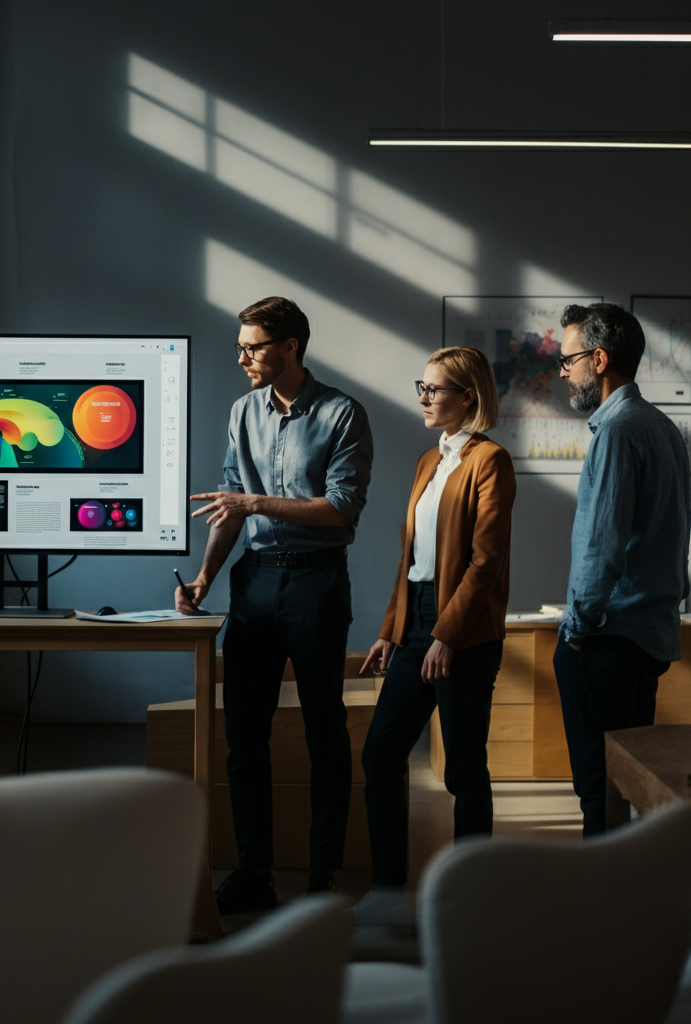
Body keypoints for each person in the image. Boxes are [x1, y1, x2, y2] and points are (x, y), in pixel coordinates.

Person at [175, 296, 373, 915]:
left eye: (253, 347)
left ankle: (322, 878)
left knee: (325, 735)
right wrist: (206, 578)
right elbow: (230, 504)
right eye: (241, 346)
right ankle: (253, 872)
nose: (242, 359)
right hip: (254, 585)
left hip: (318, 583)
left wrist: (255, 504)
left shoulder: (343, 414)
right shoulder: (242, 412)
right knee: (243, 737)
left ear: (290, 348)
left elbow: (341, 508)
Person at [357, 346, 515, 931]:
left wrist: (448, 635)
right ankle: (386, 890)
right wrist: (392, 632)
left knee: (464, 771)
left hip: (465, 632)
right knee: (381, 755)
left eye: (434, 389)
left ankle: (474, 895)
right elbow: (411, 559)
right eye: (420, 387)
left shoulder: (490, 461)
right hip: (417, 621)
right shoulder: (430, 461)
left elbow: (485, 562)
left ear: (468, 397)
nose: (423, 397)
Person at [553, 303, 691, 837]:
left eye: (569, 360)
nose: (564, 371)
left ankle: (602, 911)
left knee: (599, 788)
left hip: (607, 637)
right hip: (649, 637)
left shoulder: (616, 431)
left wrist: (577, 628)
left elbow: (600, 546)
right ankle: (631, 903)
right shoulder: (659, 427)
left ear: (600, 358)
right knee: (629, 783)